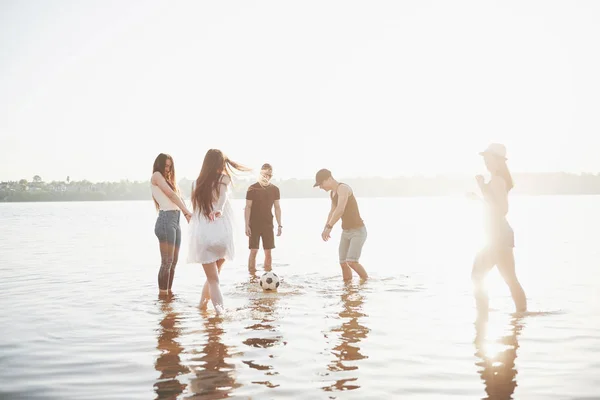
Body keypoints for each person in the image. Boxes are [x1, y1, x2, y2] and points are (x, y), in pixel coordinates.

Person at [188, 149, 249, 315]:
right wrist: (219, 210)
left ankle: (204, 307)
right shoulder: (224, 179)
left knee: (212, 278)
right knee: (214, 278)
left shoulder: (195, 183)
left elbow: (197, 212)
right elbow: (222, 197)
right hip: (222, 235)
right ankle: (218, 311)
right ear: (219, 164)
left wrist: (217, 209)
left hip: (203, 235)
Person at [469, 143, 527, 314]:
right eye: (485, 159)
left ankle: (482, 315)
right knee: (510, 279)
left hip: (498, 236)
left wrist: (481, 188)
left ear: (498, 161)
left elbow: (502, 209)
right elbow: (494, 207)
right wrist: (479, 197)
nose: (486, 162)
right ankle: (521, 316)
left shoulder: (497, 181)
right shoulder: (497, 180)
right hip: (500, 235)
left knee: (477, 275)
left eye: (488, 158)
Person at [314, 169, 368, 281]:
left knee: (352, 261)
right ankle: (347, 289)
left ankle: (366, 282)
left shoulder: (343, 188)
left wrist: (329, 227)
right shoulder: (332, 194)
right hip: (346, 232)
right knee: (343, 263)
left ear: (329, 179)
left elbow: (340, 209)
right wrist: (325, 228)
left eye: (321, 184)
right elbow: (332, 211)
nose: (320, 187)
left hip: (358, 231)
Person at [151, 153, 192, 294]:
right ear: (159, 165)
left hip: (175, 220)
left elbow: (177, 197)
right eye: (165, 166)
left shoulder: (169, 180)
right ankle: (163, 296)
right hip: (165, 221)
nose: (167, 169)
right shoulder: (156, 176)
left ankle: (169, 297)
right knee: (166, 262)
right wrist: (187, 212)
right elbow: (171, 196)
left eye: (170, 166)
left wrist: (186, 214)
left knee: (173, 263)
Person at [244, 163, 282, 272]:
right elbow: (248, 207)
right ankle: (252, 277)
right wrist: (246, 225)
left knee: (268, 252)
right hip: (254, 224)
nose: (267, 177)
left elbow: (277, 208)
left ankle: (268, 276)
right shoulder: (252, 188)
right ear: (260, 174)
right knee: (254, 251)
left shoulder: (275, 189)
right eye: (265, 174)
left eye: (269, 175)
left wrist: (280, 225)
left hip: (268, 224)